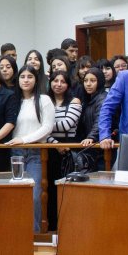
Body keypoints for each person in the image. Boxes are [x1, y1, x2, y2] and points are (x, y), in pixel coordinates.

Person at [5, 65, 54, 233]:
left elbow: (47, 127)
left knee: (34, 196)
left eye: (30, 77)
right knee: (15, 196)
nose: (26, 80)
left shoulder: (44, 100)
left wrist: (23, 140)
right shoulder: (13, 100)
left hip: (36, 152)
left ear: (36, 79)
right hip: (15, 153)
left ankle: (34, 236)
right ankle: (18, 234)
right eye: (22, 77)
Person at [46, 69, 81, 227]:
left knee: (67, 189)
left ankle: (69, 225)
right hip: (49, 149)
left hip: (69, 149)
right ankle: (53, 225)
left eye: (62, 81)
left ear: (68, 85)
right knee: (50, 189)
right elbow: (39, 131)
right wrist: (54, 143)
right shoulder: (44, 101)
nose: (58, 84)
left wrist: (44, 128)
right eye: (55, 81)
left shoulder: (74, 101)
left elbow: (67, 124)